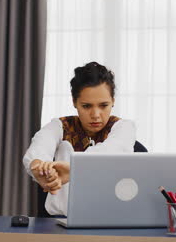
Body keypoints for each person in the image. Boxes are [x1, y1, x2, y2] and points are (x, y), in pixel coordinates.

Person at [22, 62, 136, 216]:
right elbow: (40, 147)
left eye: (103, 105)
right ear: (74, 102)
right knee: (63, 147)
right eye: (87, 106)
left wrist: (73, 169)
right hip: (59, 221)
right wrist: (40, 170)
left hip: (110, 218)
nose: (96, 114)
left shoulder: (124, 128)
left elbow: (111, 153)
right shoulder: (59, 126)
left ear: (113, 101)